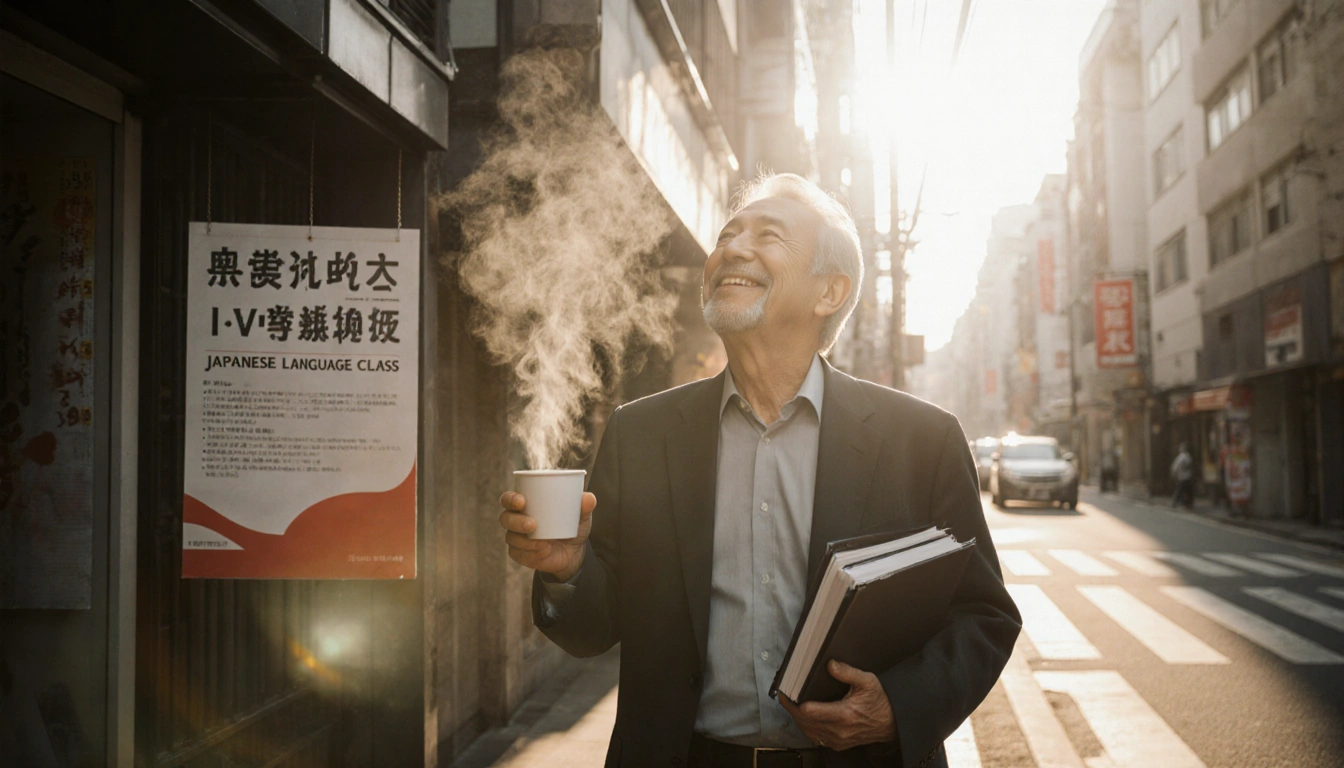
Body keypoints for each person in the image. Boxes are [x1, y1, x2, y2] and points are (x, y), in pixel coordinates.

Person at [499, 173, 1021, 768]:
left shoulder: (921, 439)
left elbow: (984, 614)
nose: (733, 249)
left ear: (829, 291)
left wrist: (897, 707)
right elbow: (594, 626)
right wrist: (568, 571)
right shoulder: (641, 433)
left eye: (768, 235)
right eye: (727, 235)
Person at [1170, 442, 1194, 509]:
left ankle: (1175, 502)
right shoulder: (1188, 457)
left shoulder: (1179, 457)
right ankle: (1188, 503)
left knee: (1179, 490)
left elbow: (1174, 467)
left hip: (1181, 477)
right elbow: (1191, 466)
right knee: (1188, 491)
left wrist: (1174, 474)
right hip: (1187, 476)